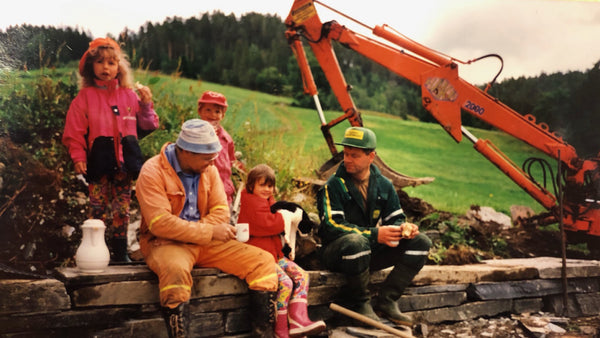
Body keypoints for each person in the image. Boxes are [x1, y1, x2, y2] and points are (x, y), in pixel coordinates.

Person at [135, 119, 279, 338]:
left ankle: (263, 335)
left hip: (206, 242)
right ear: (185, 152)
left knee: (264, 261)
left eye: (213, 158)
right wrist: (208, 231)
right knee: (175, 271)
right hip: (165, 244)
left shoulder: (208, 170)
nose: (212, 164)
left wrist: (199, 233)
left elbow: (221, 212)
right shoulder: (152, 171)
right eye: (206, 158)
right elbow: (160, 223)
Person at [316, 126, 432, 326]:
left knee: (421, 242)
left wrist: (404, 228)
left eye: (354, 155)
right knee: (356, 242)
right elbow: (332, 226)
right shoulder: (333, 185)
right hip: (337, 253)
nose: (347, 159)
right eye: (346, 154)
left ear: (371, 157)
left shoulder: (384, 184)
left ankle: (387, 301)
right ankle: (360, 303)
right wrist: (374, 234)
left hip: (365, 251)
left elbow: (396, 218)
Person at [62, 37, 159, 263]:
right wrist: (78, 157)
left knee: (122, 209)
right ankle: (96, 252)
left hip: (124, 165)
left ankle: (119, 253)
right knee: (97, 208)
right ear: (90, 67)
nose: (106, 67)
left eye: (112, 63)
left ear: (119, 68)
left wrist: (146, 104)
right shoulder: (84, 98)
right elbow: (73, 133)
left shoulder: (129, 95)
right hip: (98, 162)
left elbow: (148, 125)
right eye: (100, 62)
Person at [238, 164, 326, 338]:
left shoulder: (268, 202)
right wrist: (284, 215)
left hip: (275, 256)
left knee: (302, 275)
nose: (267, 189)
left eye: (270, 186)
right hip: (259, 258)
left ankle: (298, 320)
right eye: (262, 185)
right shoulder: (249, 204)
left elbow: (275, 220)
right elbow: (269, 224)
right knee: (285, 283)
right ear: (251, 186)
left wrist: (281, 214)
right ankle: (280, 329)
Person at [197, 90, 245, 206]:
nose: (212, 115)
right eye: (208, 110)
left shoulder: (226, 138)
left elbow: (231, 162)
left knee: (224, 216)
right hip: (201, 187)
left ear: (222, 115)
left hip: (223, 188)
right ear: (200, 111)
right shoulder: (194, 134)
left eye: (217, 112)